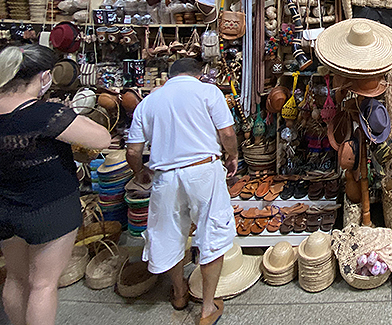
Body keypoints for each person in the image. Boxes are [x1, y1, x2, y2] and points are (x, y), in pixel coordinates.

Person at [0, 44, 112, 325]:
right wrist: (72, 116)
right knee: (43, 284)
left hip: (4, 207)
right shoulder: (47, 114)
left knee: (15, 277)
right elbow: (101, 139)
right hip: (49, 208)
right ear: (44, 76)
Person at [127, 58, 238, 325]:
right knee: (212, 233)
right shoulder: (208, 91)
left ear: (169, 77)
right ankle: (207, 308)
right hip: (203, 171)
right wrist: (232, 156)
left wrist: (139, 172)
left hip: (165, 176)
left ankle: (179, 293)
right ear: (198, 75)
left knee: (169, 234)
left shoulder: (148, 103)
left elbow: (132, 151)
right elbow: (227, 133)